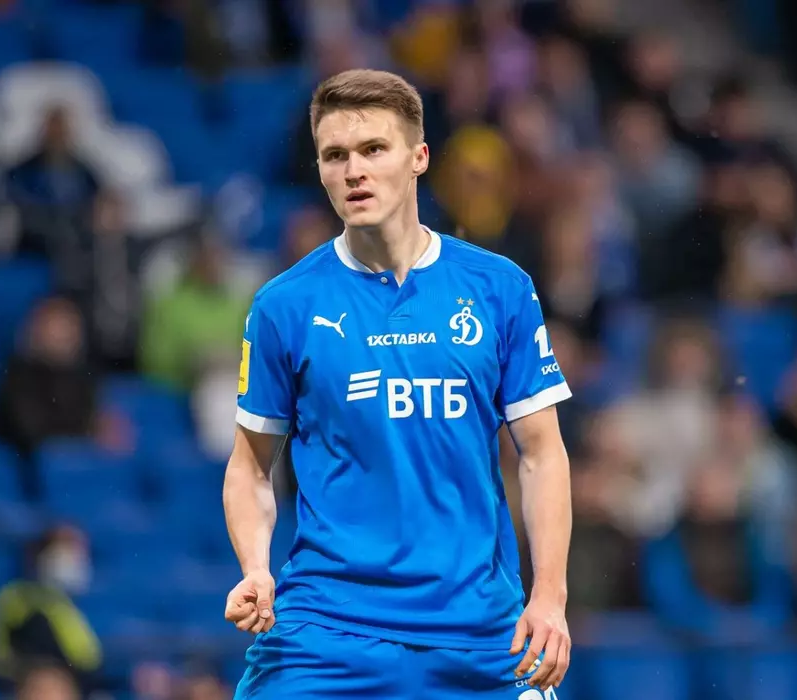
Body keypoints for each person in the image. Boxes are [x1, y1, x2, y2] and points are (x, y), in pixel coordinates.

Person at [223, 69, 574, 699]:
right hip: (328, 629)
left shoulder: (500, 288)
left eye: (373, 150)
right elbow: (250, 467)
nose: (353, 171)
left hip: (481, 633)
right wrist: (255, 568)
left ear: (419, 157)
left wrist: (549, 596)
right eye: (335, 155)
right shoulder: (284, 305)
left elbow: (542, 454)